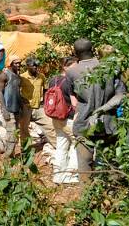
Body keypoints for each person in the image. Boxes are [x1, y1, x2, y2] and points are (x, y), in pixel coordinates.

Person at [66, 38, 127, 183]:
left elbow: (72, 96)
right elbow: (121, 95)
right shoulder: (110, 68)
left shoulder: (71, 72)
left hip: (83, 124)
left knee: (84, 165)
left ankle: (87, 201)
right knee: (110, 164)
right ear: (92, 49)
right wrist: (102, 109)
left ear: (75, 53)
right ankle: (111, 198)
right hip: (108, 123)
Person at [49, 56, 79, 184]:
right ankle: (70, 175)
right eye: (75, 66)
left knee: (61, 145)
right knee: (76, 144)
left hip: (55, 117)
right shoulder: (70, 81)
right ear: (66, 67)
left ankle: (57, 175)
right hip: (69, 118)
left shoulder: (53, 80)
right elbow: (75, 103)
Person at [18, 57, 56, 146]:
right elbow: (16, 90)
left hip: (38, 107)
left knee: (49, 126)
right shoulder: (22, 77)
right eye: (33, 65)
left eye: (37, 65)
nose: (36, 67)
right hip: (26, 108)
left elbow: (45, 90)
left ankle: (58, 146)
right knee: (24, 129)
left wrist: (45, 102)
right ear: (28, 66)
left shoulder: (41, 76)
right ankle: (25, 150)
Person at [0, 56, 22, 157]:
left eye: (20, 63)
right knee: (12, 135)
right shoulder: (5, 75)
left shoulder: (17, 75)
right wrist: (3, 109)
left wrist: (21, 106)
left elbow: (18, 92)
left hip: (17, 108)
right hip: (8, 108)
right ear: (10, 64)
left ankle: (11, 155)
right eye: (16, 63)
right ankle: (7, 156)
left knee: (15, 133)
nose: (19, 65)